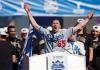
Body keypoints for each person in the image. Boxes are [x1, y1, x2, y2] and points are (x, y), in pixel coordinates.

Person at [24, 3, 93, 53]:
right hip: (49, 58)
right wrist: (28, 12)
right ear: (51, 25)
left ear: (60, 26)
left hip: (62, 58)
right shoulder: (46, 32)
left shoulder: (66, 32)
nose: (55, 25)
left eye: (57, 23)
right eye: (54, 23)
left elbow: (79, 26)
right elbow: (35, 24)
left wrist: (87, 18)